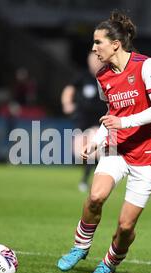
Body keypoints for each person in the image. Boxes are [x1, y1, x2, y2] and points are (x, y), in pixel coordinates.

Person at [57, 11, 151, 273]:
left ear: (115, 44)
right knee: (95, 196)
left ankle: (108, 264)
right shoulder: (103, 77)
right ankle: (80, 246)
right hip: (117, 147)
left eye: (98, 43)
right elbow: (111, 116)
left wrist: (126, 122)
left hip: (149, 154)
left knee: (125, 226)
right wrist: (95, 143)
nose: (93, 48)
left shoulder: (147, 66)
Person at [61, 51, 106, 192]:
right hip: (82, 119)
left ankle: (87, 180)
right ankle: (91, 177)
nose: (94, 63)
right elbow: (69, 90)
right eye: (91, 61)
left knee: (94, 150)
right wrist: (67, 103)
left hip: (100, 120)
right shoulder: (83, 76)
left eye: (96, 60)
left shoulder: (107, 76)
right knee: (80, 153)